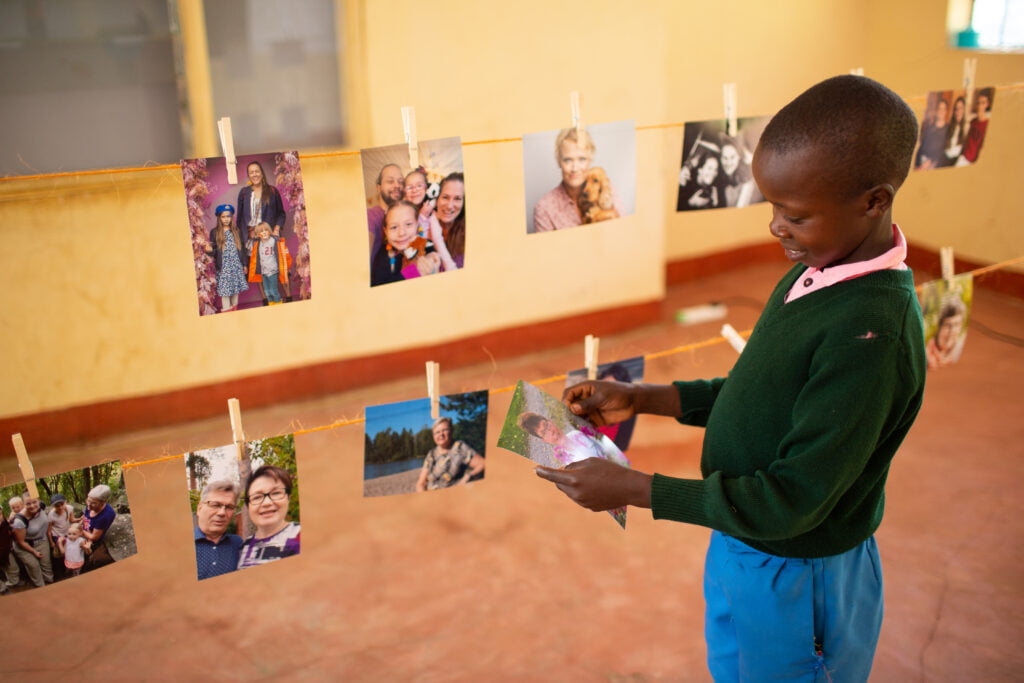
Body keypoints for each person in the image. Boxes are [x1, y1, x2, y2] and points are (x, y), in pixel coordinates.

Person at [535, 75, 925, 681]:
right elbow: (754, 394)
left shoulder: (870, 335)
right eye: (772, 207)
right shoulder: (818, 270)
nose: (775, 227)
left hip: (800, 570)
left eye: (795, 214)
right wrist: (643, 397)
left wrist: (638, 489)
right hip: (742, 540)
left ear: (873, 201)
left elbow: (792, 502)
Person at [236, 160, 289, 302]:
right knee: (259, 268)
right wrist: (243, 236)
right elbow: (240, 218)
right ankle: (267, 300)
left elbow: (281, 213)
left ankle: (288, 297)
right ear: (248, 175)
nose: (255, 174)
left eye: (257, 171)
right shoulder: (244, 193)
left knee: (278, 265)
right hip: (252, 238)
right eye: (251, 172)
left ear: (262, 173)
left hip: (270, 236)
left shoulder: (272, 191)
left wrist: (277, 229)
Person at [370, 201, 447, 286]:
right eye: (394, 227)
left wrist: (433, 259)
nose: (402, 233)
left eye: (408, 224)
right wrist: (412, 272)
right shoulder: (384, 256)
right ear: (386, 231)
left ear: (417, 225)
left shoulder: (425, 244)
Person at [237, 466, 300, 569]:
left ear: (288, 498)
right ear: (248, 506)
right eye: (257, 497)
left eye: (276, 493)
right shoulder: (243, 549)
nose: (267, 503)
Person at [533, 128, 595, 231]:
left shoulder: (606, 190)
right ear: (559, 162)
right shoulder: (544, 208)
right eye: (568, 160)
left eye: (582, 159)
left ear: (590, 160)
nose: (575, 168)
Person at [415, 417, 485, 491]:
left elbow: (483, 463)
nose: (441, 434)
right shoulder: (431, 454)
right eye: (437, 432)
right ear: (433, 436)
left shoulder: (460, 447)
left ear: (451, 431)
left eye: (445, 430)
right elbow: (421, 483)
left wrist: (468, 476)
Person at [193, 480, 243, 580]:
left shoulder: (238, 544)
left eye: (229, 507)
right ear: (199, 509)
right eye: (215, 505)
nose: (222, 513)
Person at [203, 204, 249, 313]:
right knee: (225, 292)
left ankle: (235, 311)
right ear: (219, 218)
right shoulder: (215, 232)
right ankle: (228, 314)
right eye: (223, 217)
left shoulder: (236, 231)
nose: (226, 219)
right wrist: (209, 251)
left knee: (235, 290)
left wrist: (244, 264)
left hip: (236, 266)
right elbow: (214, 252)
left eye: (228, 216)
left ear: (232, 217)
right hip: (223, 268)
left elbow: (242, 249)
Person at [10, 496, 53, 588]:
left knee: (46, 564)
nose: (32, 506)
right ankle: (41, 587)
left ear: (38, 501)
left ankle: (50, 583)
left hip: (41, 540)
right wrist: (34, 552)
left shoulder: (41, 506)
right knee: (33, 566)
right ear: (24, 505)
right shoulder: (19, 520)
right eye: (28, 504)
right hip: (24, 545)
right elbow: (21, 542)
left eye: (34, 502)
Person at [367, 163, 405, 264]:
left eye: (400, 181)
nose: (397, 185)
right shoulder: (371, 216)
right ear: (378, 188)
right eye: (390, 181)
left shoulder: (406, 215)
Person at [247, 222, 291, 305]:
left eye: (266, 230)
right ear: (257, 234)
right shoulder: (258, 244)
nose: (264, 232)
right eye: (261, 231)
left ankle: (278, 305)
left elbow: (283, 256)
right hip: (264, 272)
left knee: (273, 290)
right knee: (267, 291)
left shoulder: (274, 241)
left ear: (269, 231)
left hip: (273, 271)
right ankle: (271, 305)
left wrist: (286, 267)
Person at [80, 485, 117, 572]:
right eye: (88, 500)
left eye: (93, 503)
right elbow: (85, 517)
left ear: (103, 502)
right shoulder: (90, 505)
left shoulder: (106, 515)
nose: (88, 505)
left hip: (92, 541)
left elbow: (94, 537)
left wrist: (80, 532)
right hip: (84, 532)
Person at [434, 172, 467, 268]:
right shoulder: (423, 228)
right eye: (445, 197)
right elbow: (407, 275)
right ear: (437, 199)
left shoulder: (468, 234)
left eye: (457, 199)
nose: (449, 206)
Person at [718, 136, 760, 208]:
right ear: (720, 159)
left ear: (738, 157)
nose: (728, 162)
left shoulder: (748, 182)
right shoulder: (724, 184)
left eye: (732, 157)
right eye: (725, 158)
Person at [926, 296, 967, 369]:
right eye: (947, 325)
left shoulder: (958, 348)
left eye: (956, 325)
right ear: (939, 326)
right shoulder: (925, 350)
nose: (951, 331)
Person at [957, 88, 994, 165]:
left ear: (987, 104)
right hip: (963, 157)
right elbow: (967, 139)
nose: (980, 106)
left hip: (972, 162)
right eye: (978, 103)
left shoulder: (987, 125)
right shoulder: (973, 121)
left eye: (983, 103)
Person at [914, 96, 949, 170]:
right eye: (939, 108)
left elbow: (942, 151)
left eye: (943, 109)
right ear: (936, 111)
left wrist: (929, 163)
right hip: (921, 162)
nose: (941, 111)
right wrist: (916, 165)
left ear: (946, 111)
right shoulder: (929, 127)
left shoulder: (948, 129)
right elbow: (921, 147)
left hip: (934, 164)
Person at [3, 497, 25, 589]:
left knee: (12, 566)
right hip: (4, 549)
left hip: (10, 545)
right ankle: (12, 582)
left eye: (17, 507)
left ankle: (14, 580)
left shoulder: (10, 518)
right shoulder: (12, 517)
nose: (16, 509)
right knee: (10, 566)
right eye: (13, 507)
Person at [942, 96, 968, 167]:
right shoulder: (950, 126)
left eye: (961, 108)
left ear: (964, 109)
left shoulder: (967, 127)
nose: (958, 111)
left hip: (956, 162)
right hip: (945, 159)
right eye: (956, 109)